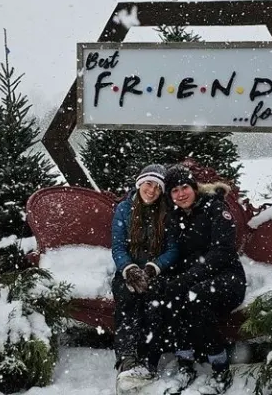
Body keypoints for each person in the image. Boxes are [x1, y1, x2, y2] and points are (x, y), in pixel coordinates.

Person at [159, 164, 247, 395]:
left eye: (184, 187)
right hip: (194, 279)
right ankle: (185, 362)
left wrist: (187, 278)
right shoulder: (175, 217)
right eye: (174, 190)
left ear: (194, 188)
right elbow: (175, 253)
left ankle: (220, 366)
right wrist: (163, 275)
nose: (181, 194)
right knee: (172, 294)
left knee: (195, 298)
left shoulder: (215, 209)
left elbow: (222, 253)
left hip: (228, 278)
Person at [111, 163, 179, 392]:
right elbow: (118, 246)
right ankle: (128, 359)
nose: (152, 191)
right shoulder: (124, 209)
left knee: (154, 304)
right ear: (140, 183)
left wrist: (152, 269)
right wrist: (129, 270)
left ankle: (150, 361)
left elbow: (172, 249)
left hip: (155, 271)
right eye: (148, 184)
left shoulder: (166, 213)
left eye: (158, 188)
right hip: (128, 270)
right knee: (127, 300)